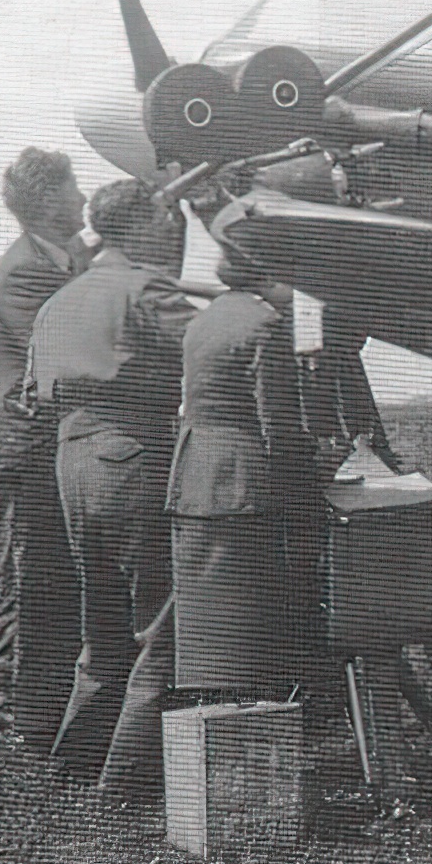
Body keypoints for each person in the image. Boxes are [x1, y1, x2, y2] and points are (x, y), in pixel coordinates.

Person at [28, 180, 196, 799]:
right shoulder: (145, 288)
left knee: (101, 626)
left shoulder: (61, 300)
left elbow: (32, 394)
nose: (172, 230)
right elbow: (212, 351)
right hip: (130, 453)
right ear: (137, 227)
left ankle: (76, 760)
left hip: (70, 461)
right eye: (163, 218)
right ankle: (125, 781)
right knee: (160, 624)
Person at [0, 148, 89, 743]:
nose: (85, 198)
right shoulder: (26, 271)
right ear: (46, 202)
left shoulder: (64, 256)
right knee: (30, 573)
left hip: (43, 441)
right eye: (74, 189)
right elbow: (61, 351)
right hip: (26, 447)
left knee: (42, 570)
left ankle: (30, 691)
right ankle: (12, 700)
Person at [168, 246, 321, 694]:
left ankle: (214, 699)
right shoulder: (265, 325)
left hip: (193, 472)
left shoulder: (203, 321)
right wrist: (309, 473)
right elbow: (276, 419)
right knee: (252, 610)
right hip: (240, 480)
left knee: (209, 616)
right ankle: (260, 705)